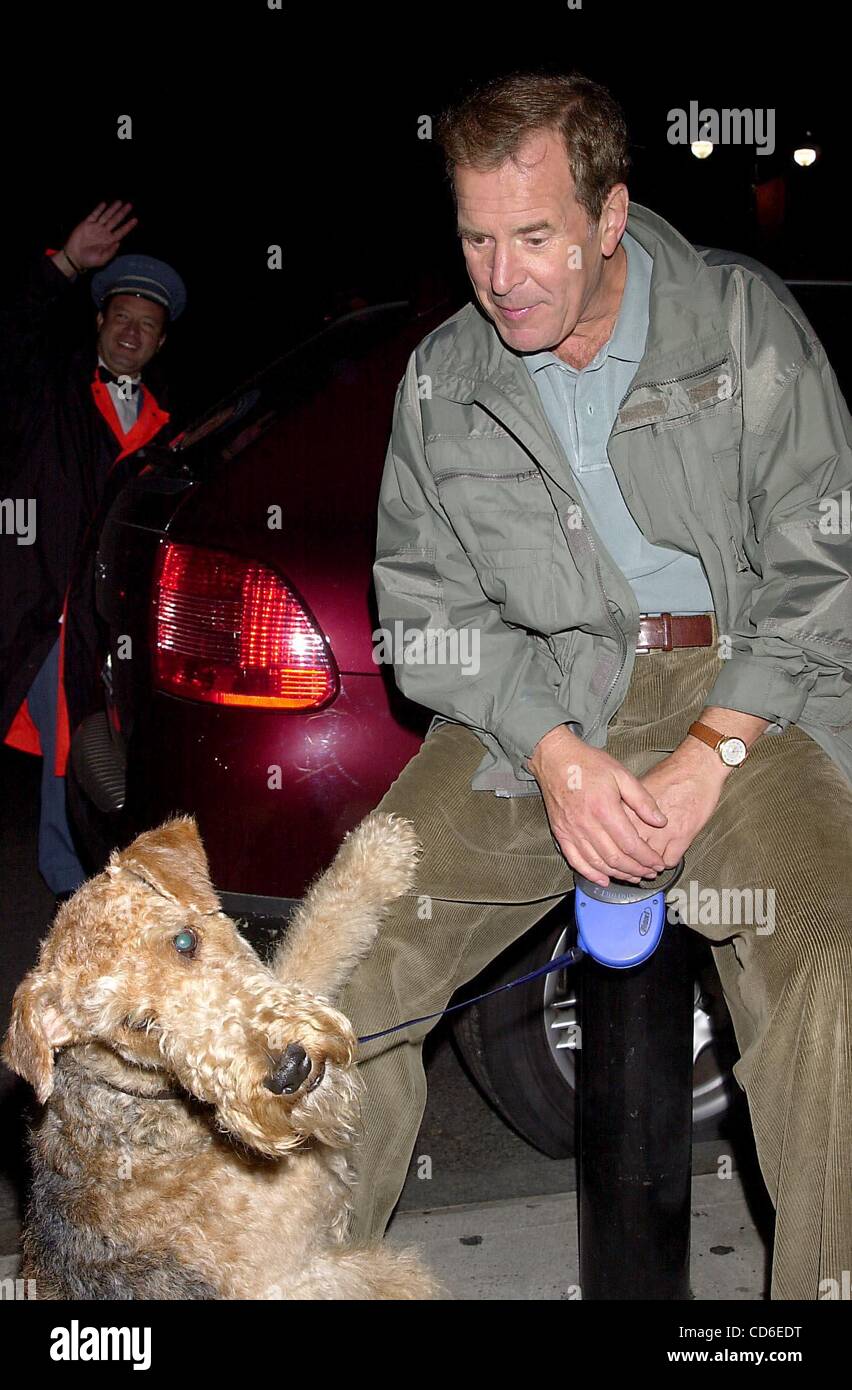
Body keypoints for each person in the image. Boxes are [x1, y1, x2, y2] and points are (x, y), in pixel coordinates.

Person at [337, 72, 852, 1300]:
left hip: (741, 699)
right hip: (539, 701)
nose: (499, 274)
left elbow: (820, 558)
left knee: (834, 982)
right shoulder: (442, 380)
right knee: (330, 990)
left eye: (534, 237)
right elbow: (425, 616)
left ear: (610, 218)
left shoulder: (737, 324)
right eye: (475, 238)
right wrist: (557, 751)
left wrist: (712, 750)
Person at [0, 202, 186, 899]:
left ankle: (108, 890)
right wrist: (67, 266)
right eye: (121, 317)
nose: (132, 332)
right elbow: (13, 339)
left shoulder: (171, 431)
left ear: (161, 342)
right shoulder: (49, 393)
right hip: (38, 615)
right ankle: (71, 887)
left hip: (114, 630)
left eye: (148, 324)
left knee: (113, 759)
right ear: (100, 323)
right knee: (72, 752)